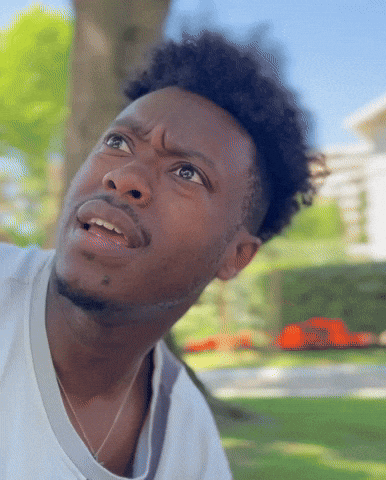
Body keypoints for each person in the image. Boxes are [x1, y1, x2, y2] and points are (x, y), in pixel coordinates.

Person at [0, 32, 321, 479]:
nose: (126, 176)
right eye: (118, 143)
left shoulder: (188, 444)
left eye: (187, 172)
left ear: (236, 256)